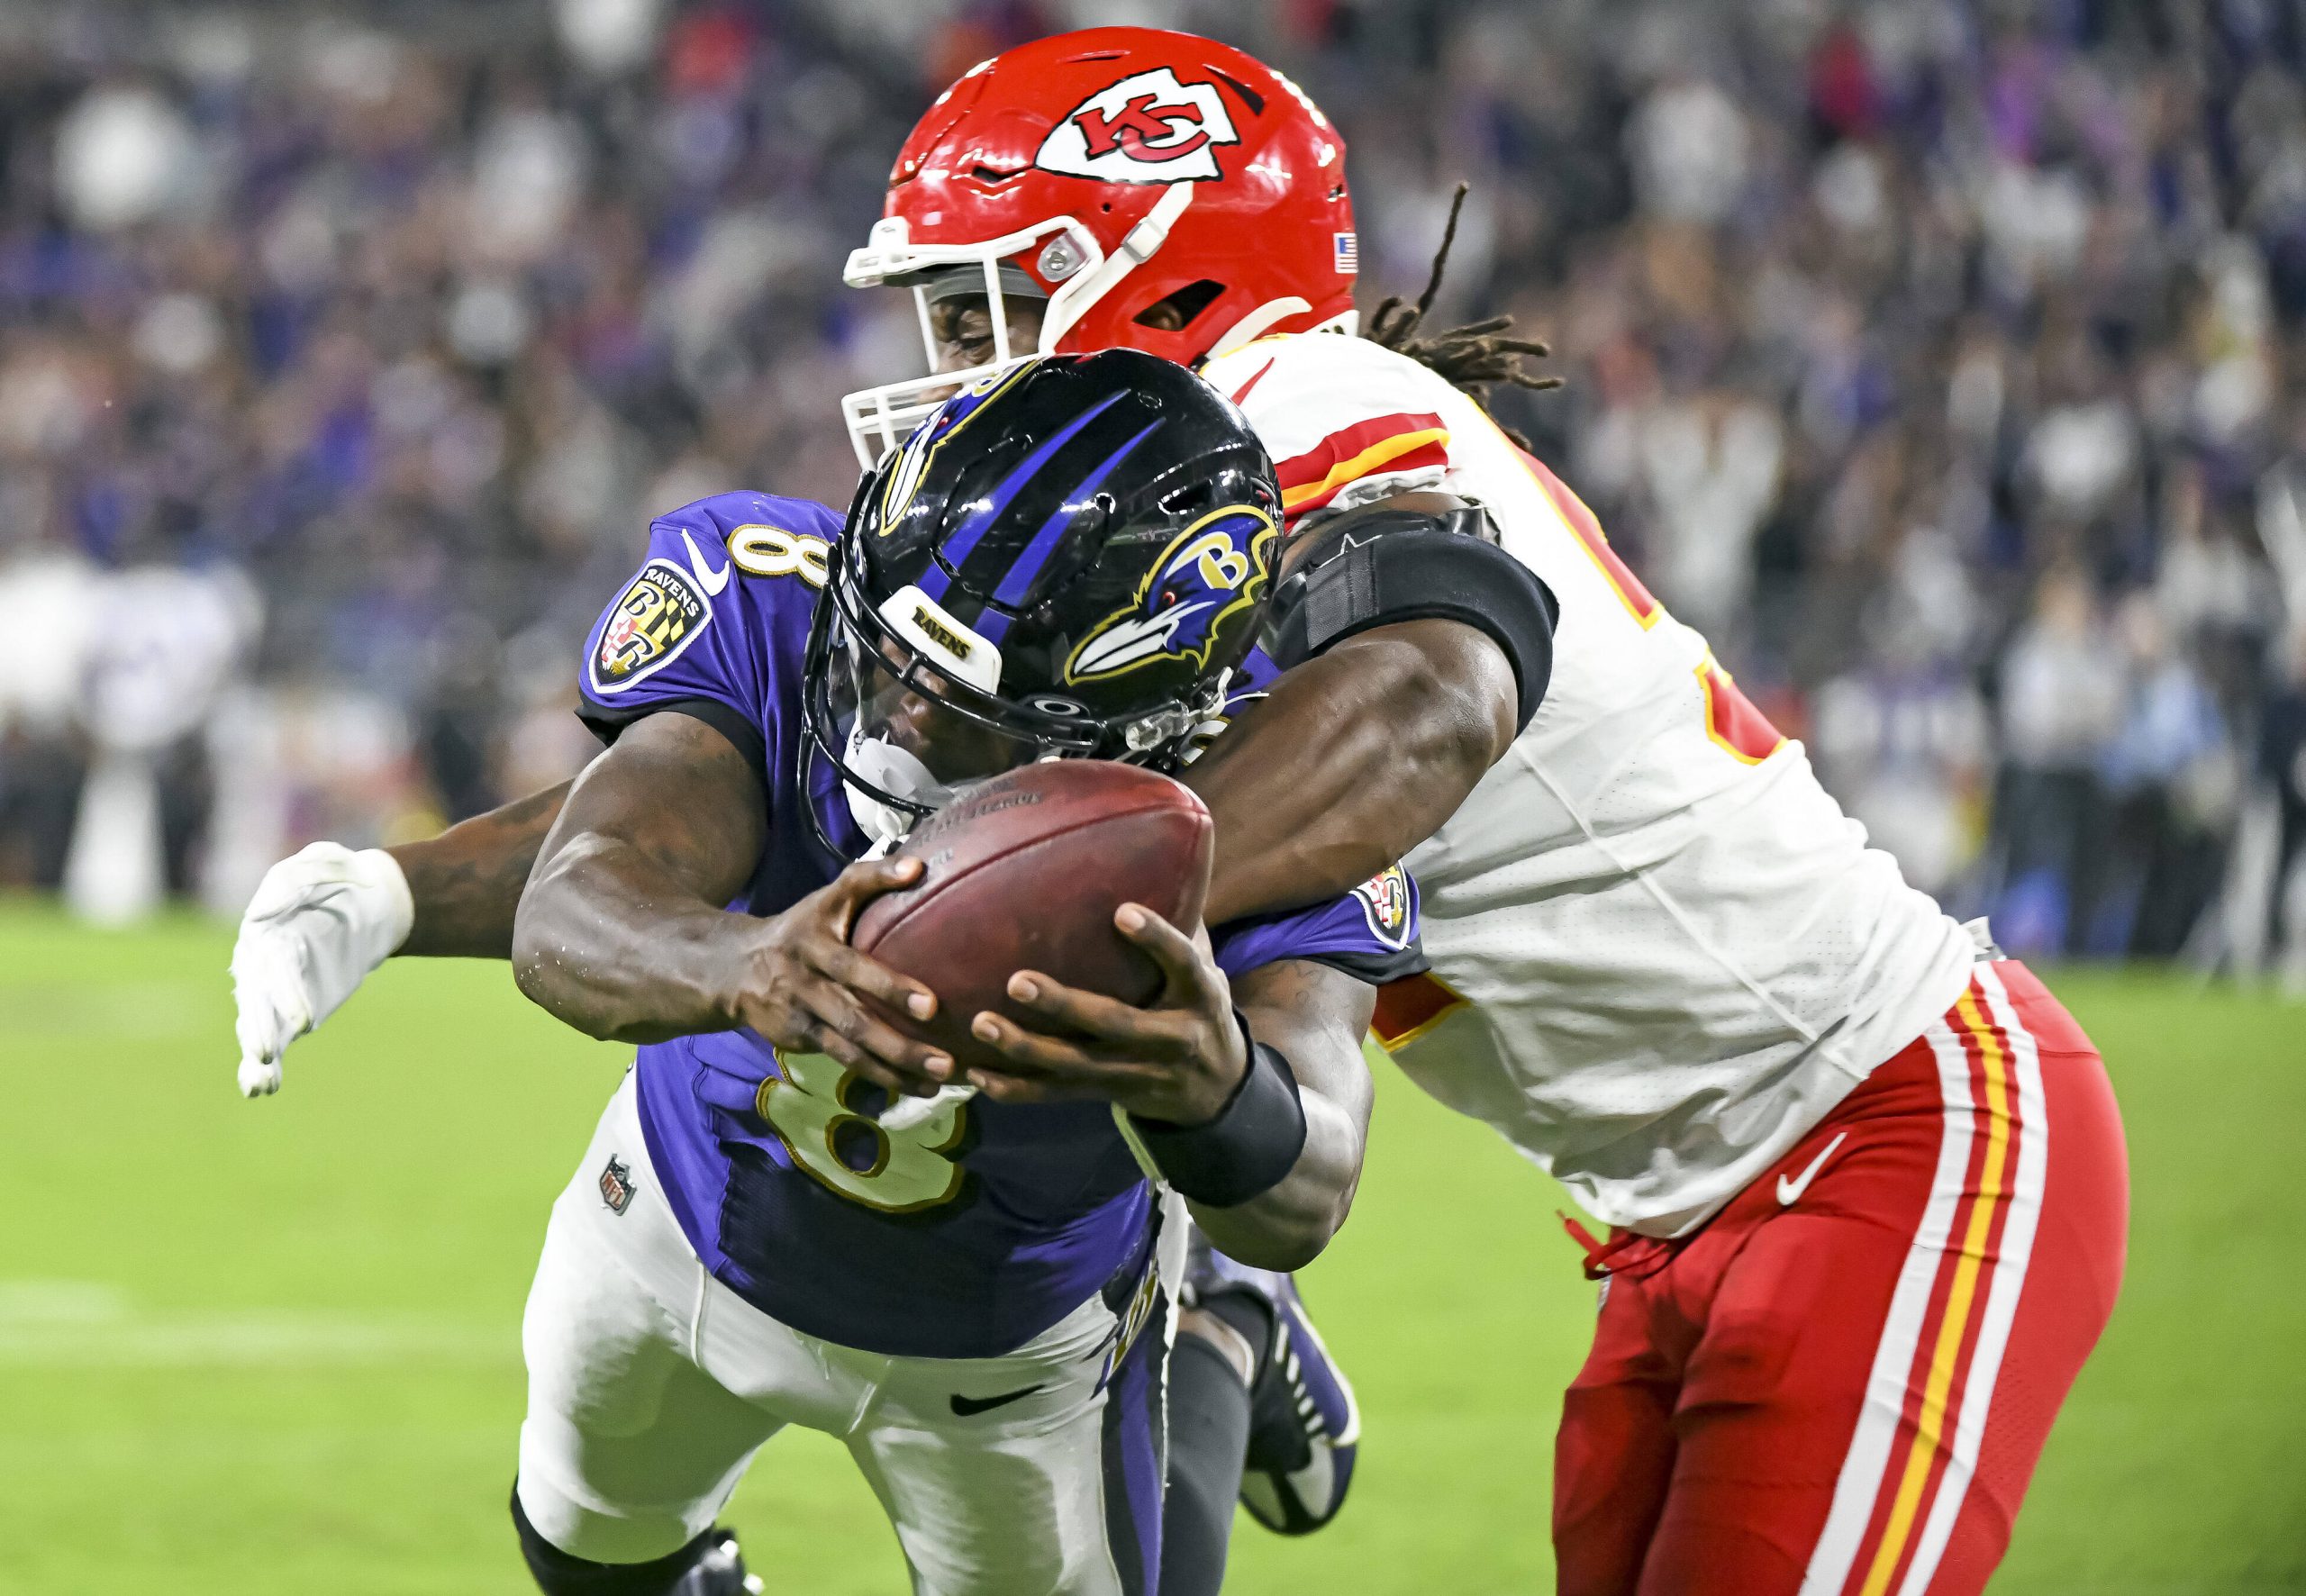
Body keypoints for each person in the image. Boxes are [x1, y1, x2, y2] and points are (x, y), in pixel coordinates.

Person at [232, 27, 2128, 1594]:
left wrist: (1024, 895)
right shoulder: (1103, 552)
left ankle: (1210, 1301)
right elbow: (792, 811)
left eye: (980, 305)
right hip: (1652, 1217)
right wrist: (397, 895)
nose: (944, 368)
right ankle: (1216, 1299)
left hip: (1880, 1129)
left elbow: (1423, 695)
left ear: (1145, 282)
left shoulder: (1299, 402)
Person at [504, 349, 1416, 1596]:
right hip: (668, 1217)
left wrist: (1217, 1091)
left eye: (972, 709)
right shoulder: (771, 600)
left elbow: (1308, 1188)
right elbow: (567, 914)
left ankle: (1227, 1322)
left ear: (1147, 732)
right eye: (890, 663)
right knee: (589, 1554)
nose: (901, 721)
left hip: (1011, 1349)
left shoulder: (1269, 799)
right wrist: (745, 957)